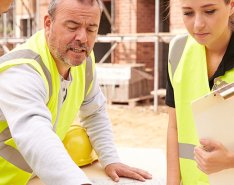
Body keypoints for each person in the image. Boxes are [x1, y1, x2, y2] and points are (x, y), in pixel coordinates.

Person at [0, 0, 152, 185]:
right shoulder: (22, 69)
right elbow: (35, 134)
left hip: (30, 178)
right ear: (48, 24)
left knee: (78, 138)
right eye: (72, 27)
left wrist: (110, 159)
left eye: (91, 29)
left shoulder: (81, 60)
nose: (83, 38)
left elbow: (94, 112)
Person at [166, 0, 234, 184]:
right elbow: (174, 127)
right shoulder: (177, 51)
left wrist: (230, 161)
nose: (198, 24)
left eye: (210, 11)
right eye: (188, 13)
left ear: (231, 6)